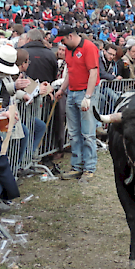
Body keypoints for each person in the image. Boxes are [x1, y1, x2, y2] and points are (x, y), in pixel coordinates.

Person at [54, 25, 100, 181]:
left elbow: (93, 72)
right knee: (74, 133)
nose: (62, 43)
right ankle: (77, 166)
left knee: (87, 133)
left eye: (63, 40)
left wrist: (88, 96)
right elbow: (70, 71)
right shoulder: (68, 49)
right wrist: (62, 89)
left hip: (84, 92)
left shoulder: (89, 47)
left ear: (70, 36)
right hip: (72, 92)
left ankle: (89, 168)